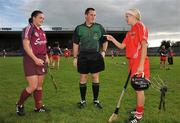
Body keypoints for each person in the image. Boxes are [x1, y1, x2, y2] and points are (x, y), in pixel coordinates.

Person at [105, 8, 150, 123]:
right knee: (137, 88)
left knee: (139, 89)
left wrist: (140, 66)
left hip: (140, 62)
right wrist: (112, 39)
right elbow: (121, 46)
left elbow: (144, 46)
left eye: (127, 16)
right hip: (132, 63)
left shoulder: (141, 26)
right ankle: (139, 110)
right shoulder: (129, 32)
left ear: (134, 16)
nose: (126, 18)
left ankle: (139, 116)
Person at [72, 8, 108, 109]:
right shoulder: (79, 28)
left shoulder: (99, 27)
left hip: (95, 55)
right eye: (91, 15)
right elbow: (75, 44)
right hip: (83, 55)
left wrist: (104, 51)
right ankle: (82, 101)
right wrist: (75, 57)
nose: (93, 17)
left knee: (95, 77)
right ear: (86, 15)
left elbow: (105, 40)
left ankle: (96, 100)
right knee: (83, 78)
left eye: (95, 15)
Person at [16, 10, 50, 116]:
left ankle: (38, 107)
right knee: (33, 86)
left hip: (41, 59)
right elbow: (26, 46)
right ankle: (19, 104)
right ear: (34, 18)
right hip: (31, 60)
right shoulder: (28, 29)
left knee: (39, 86)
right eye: (40, 17)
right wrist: (35, 59)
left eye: (43, 18)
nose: (42, 20)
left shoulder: (42, 31)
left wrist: (47, 56)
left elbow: (43, 46)